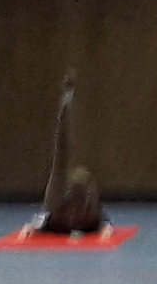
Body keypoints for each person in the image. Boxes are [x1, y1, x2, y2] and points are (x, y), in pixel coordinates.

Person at [33, 73, 109, 236]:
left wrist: (105, 228)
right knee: (61, 155)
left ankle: (66, 104)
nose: (77, 208)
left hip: (74, 207)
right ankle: (66, 105)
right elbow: (61, 150)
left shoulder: (90, 215)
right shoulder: (57, 206)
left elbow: (102, 221)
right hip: (60, 206)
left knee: (64, 159)